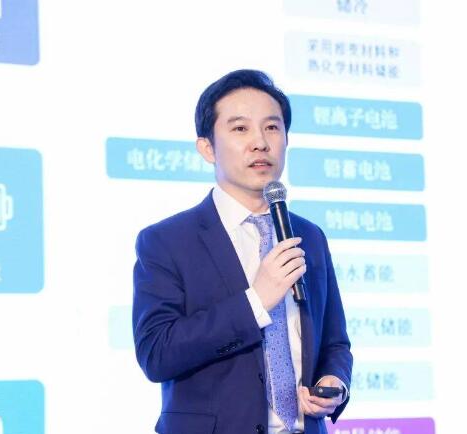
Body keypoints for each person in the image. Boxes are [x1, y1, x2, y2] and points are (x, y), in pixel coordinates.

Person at [133, 69, 353, 434]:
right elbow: (156, 354)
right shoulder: (166, 241)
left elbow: (335, 342)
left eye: (272, 127)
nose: (260, 143)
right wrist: (256, 301)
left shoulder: (309, 236)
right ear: (207, 148)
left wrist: (335, 382)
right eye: (240, 128)